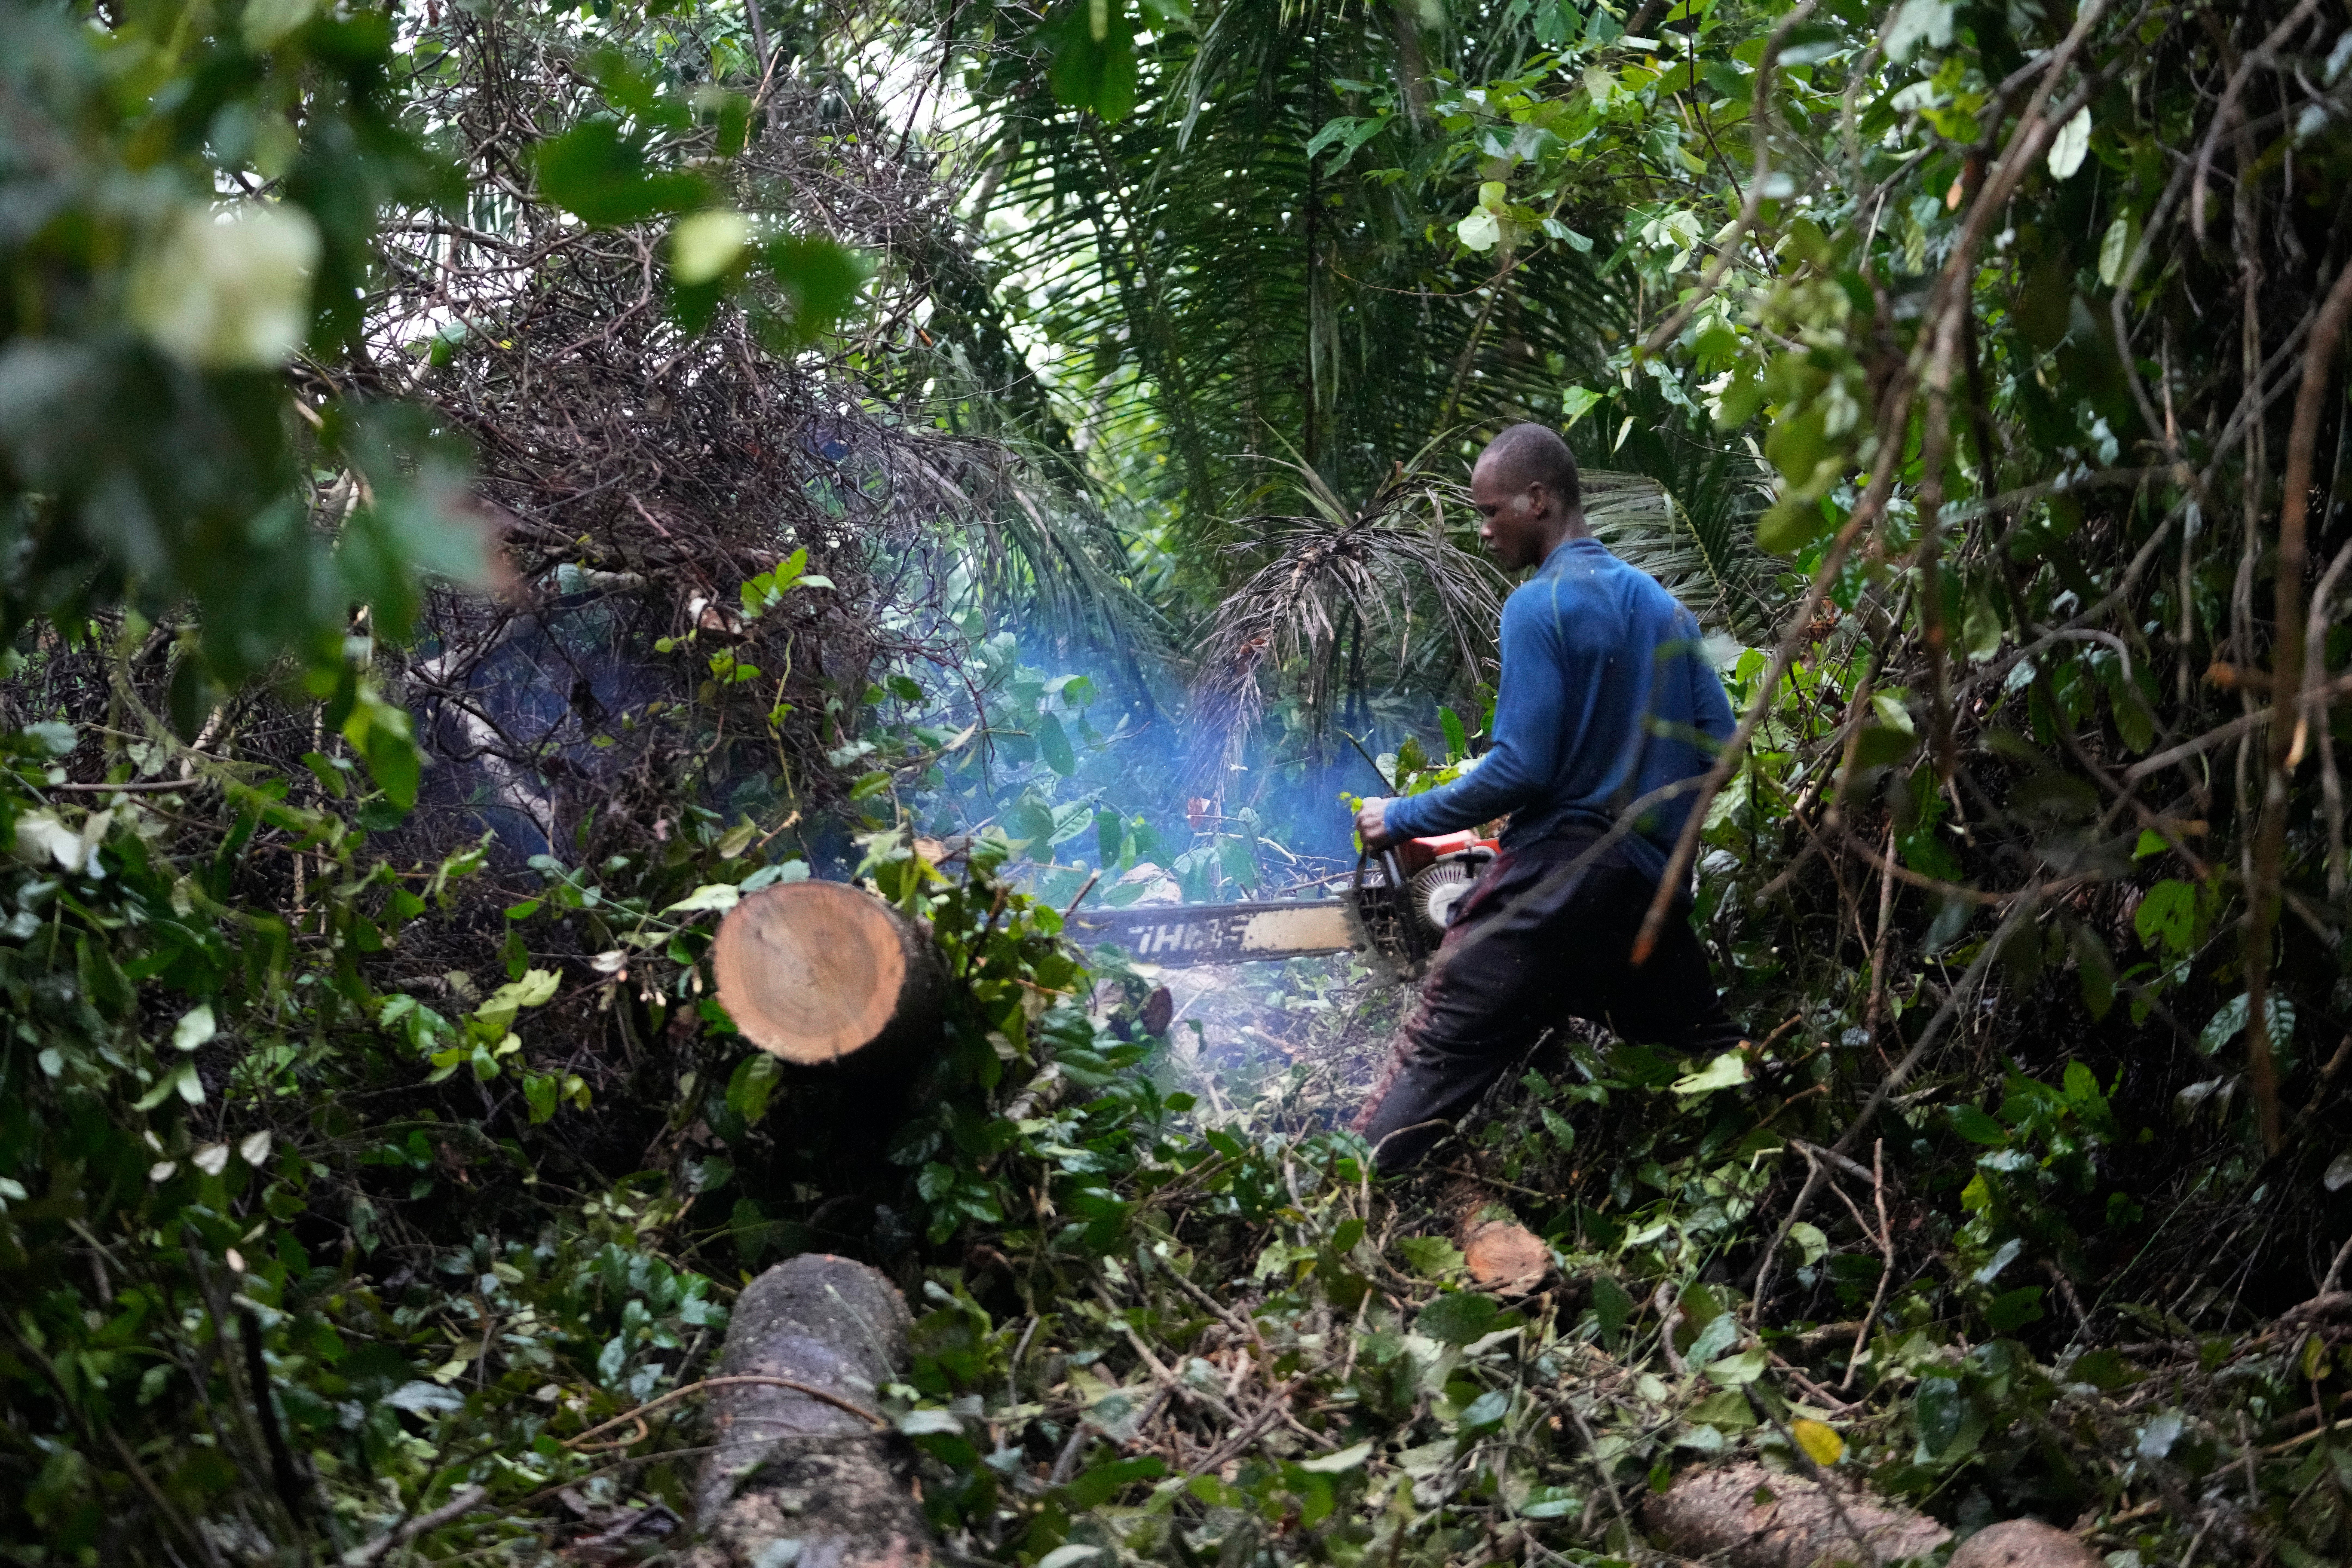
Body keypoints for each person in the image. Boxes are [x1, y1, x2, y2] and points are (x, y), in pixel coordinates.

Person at [1349, 422, 1746, 1172]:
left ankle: (1330, 1203)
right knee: (1718, 1061)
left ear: (1539, 499)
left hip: (1559, 880)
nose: (1483, 530)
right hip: (1644, 893)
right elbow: (1723, 754)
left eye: (1490, 511)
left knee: (1432, 1059)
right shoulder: (1666, 609)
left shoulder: (1538, 606)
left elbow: (1520, 770)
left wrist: (1396, 817)